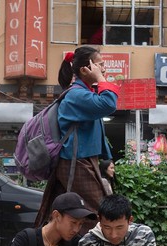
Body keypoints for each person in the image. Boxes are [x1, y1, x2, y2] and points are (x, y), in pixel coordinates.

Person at [35, 46, 119, 234]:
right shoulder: (76, 94)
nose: (103, 69)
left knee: (63, 215)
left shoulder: (83, 93)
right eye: (100, 65)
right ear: (85, 70)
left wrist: (105, 161)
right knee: (98, 214)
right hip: (76, 161)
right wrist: (100, 79)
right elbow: (109, 104)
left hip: (80, 160)